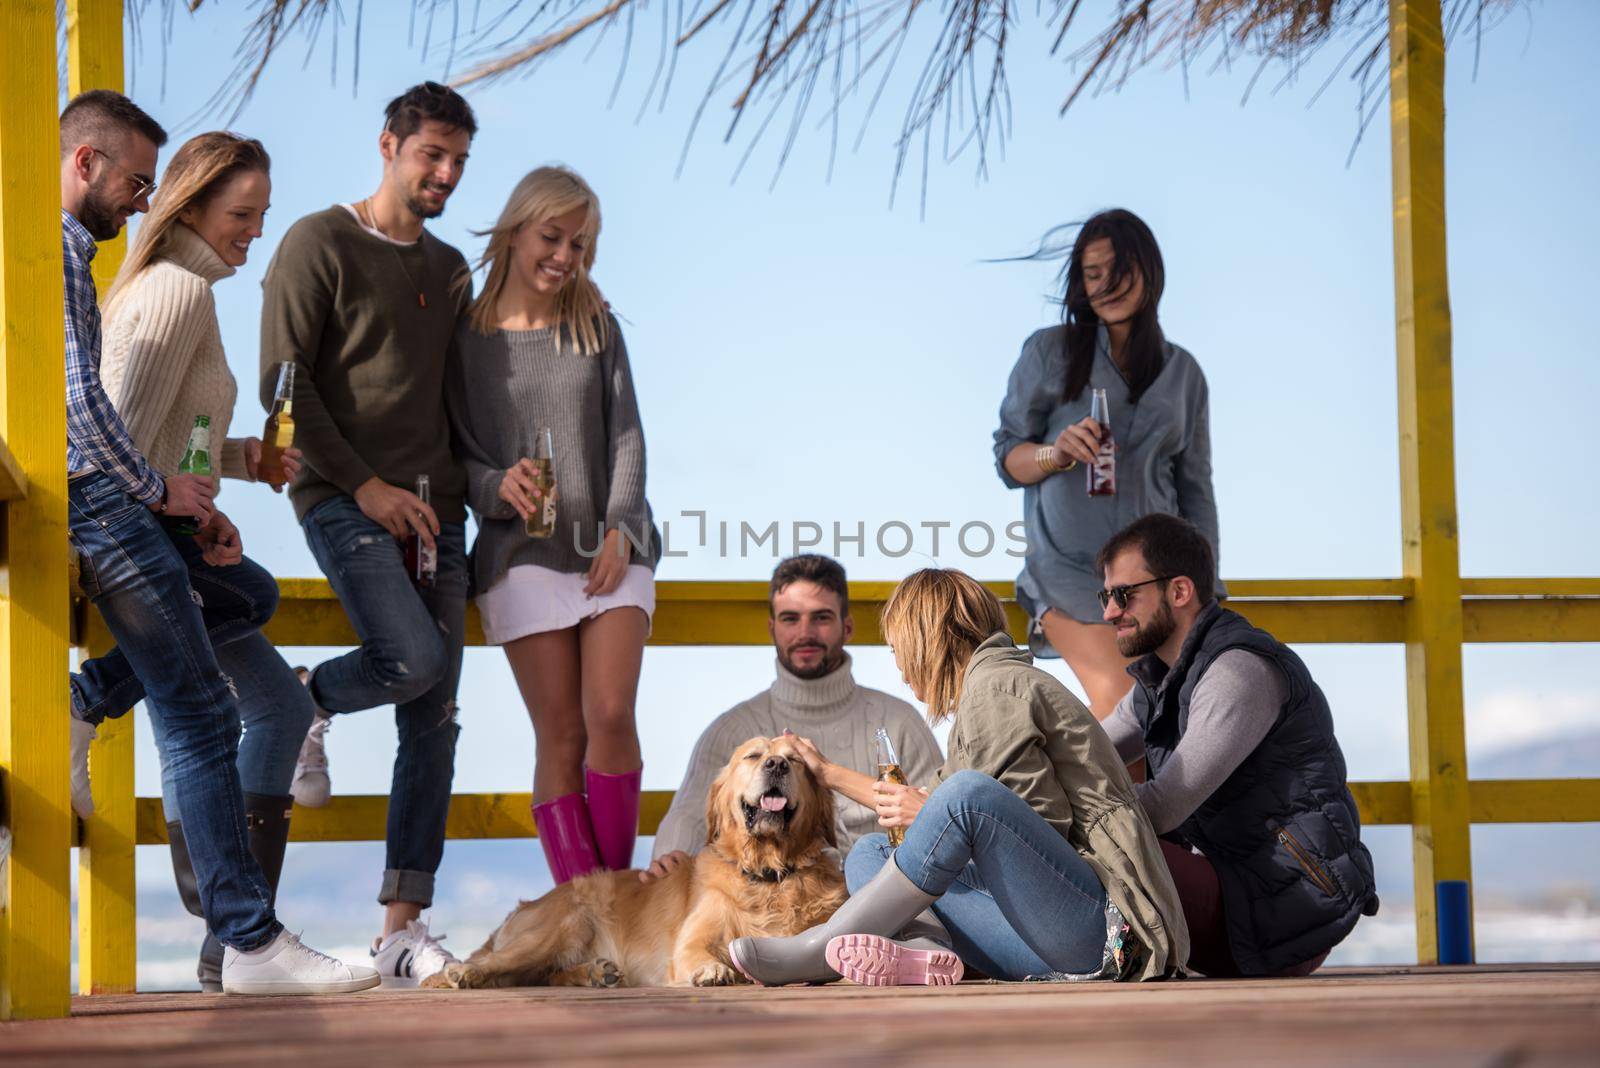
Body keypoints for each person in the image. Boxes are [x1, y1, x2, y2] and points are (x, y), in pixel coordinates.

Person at [60, 89, 376, 995]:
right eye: (242, 215)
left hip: (146, 511)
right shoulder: (169, 295)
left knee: (250, 607)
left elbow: (159, 430)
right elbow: (110, 423)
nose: (254, 232)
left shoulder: (182, 292)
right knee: (202, 717)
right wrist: (170, 502)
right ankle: (246, 944)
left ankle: (243, 943)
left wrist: (229, 472)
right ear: (189, 207)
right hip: (124, 519)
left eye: (263, 216)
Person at [262, 81, 477, 985]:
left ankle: (400, 929)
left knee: (435, 721)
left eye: (460, 162)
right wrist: (366, 485)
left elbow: (464, 402)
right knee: (412, 659)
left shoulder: (452, 268)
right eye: (432, 153)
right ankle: (308, 693)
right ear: (387, 145)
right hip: (341, 497)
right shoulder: (319, 241)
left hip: (442, 511)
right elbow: (282, 383)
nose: (446, 174)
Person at [728, 568, 1188, 986]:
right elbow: (938, 820)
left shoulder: (998, 687)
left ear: (927, 640)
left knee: (965, 795)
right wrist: (826, 773)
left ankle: (820, 948)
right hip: (1047, 940)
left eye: (898, 650)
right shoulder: (984, 695)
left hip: (1107, 936)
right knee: (871, 851)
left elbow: (1037, 835)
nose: (901, 669)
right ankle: (926, 952)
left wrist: (934, 810)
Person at [445, 165, 657, 884]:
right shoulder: (462, 339)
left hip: (611, 546)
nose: (565, 256)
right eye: (553, 236)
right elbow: (454, 452)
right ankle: (582, 914)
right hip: (517, 553)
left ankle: (617, 906)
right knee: (560, 734)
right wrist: (493, 485)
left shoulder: (594, 324)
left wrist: (623, 526)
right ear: (515, 228)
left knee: (610, 716)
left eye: (582, 246)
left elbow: (625, 433)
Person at [1095, 513, 1379, 976]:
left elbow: (1164, 807)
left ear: (1180, 591)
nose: (1109, 612)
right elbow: (1087, 748)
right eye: (1105, 596)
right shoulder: (1158, 683)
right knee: (1068, 827)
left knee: (1097, 835)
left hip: (1285, 915)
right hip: (1244, 894)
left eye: (1124, 594)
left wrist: (1060, 807)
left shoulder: (1237, 671)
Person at [994, 209, 1221, 720]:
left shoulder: (1184, 373)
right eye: (1091, 274)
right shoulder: (1049, 352)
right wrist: (1057, 452)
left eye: (1118, 270)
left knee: (1175, 718)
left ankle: (1096, 803)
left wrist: (1206, 588)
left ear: (1150, 270)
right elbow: (1009, 459)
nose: (1105, 285)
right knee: (1128, 706)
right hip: (1071, 576)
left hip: (1160, 581)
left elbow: (1195, 490)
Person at [647, 554, 942, 877]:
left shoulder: (900, 722)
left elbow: (940, 818)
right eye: (790, 619)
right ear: (772, 628)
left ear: (847, 627)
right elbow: (690, 814)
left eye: (821, 618)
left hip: (885, 895)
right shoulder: (732, 728)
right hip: (771, 900)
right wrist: (669, 857)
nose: (805, 632)